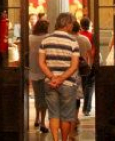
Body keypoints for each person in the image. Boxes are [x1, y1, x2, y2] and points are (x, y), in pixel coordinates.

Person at [39, 12, 80, 141]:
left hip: (50, 83)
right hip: (68, 83)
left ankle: (55, 139)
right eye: (71, 23)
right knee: (66, 116)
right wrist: (61, 79)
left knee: (53, 115)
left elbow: (41, 62)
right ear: (67, 24)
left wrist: (52, 78)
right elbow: (74, 66)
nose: (72, 26)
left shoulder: (45, 40)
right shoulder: (73, 41)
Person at [29, 19, 50, 134]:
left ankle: (36, 118)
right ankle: (42, 122)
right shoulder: (48, 38)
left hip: (33, 70)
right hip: (45, 70)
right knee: (44, 97)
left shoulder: (30, 38)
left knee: (37, 96)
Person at [72, 20, 92, 131]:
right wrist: (90, 66)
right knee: (79, 95)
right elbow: (90, 54)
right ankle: (76, 116)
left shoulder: (68, 40)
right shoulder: (84, 39)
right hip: (82, 69)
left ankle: (71, 117)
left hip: (69, 69)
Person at [79, 17, 95, 116]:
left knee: (83, 84)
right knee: (89, 85)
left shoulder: (78, 35)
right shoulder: (91, 36)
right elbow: (92, 51)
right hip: (88, 62)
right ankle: (86, 108)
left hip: (79, 63)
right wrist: (91, 64)